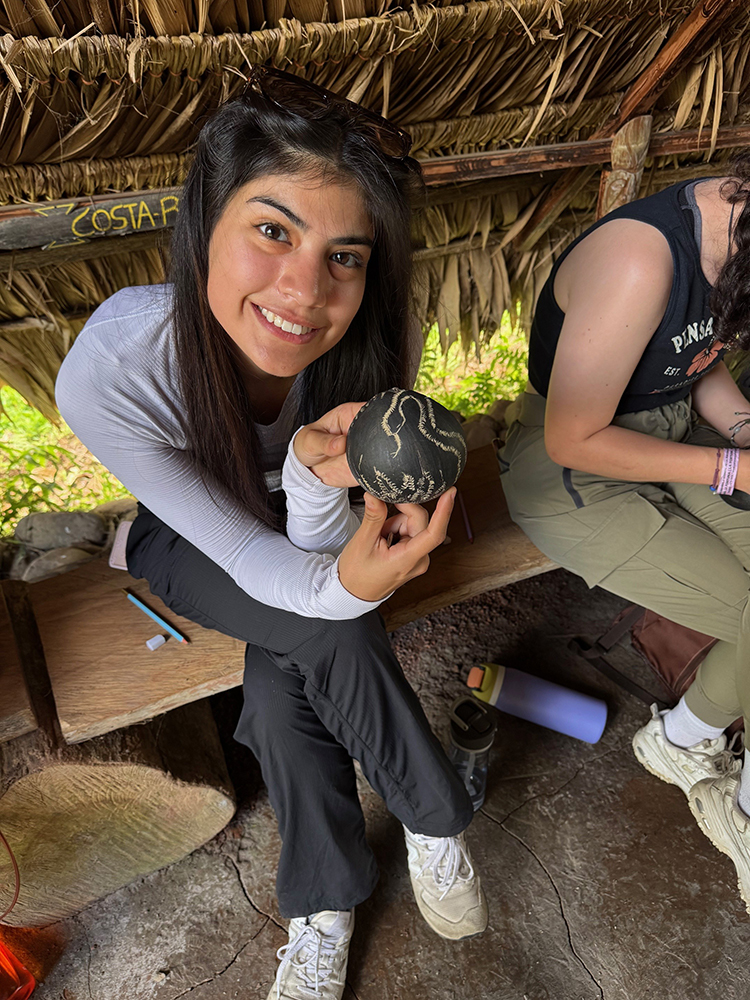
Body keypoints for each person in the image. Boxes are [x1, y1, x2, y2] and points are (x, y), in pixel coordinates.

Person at [55, 68, 486, 1000]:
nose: (305, 291)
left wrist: (333, 484)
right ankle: (433, 816)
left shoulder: (367, 342)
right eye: (272, 230)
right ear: (203, 222)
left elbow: (313, 533)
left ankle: (323, 907)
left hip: (303, 521)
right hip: (189, 534)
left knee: (284, 671)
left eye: (345, 255)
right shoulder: (118, 367)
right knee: (327, 627)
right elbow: (256, 558)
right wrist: (350, 586)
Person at [499, 158, 750, 913]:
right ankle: (702, 768)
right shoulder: (642, 263)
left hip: (672, 434)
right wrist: (731, 466)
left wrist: (746, 435)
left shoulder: (735, 237)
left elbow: (696, 367)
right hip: (573, 467)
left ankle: (687, 738)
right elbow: (574, 437)